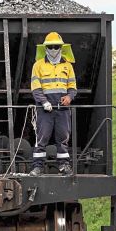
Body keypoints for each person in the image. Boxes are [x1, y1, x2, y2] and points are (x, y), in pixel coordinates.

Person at [29, 31, 77, 176]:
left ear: (61, 48)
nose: (54, 50)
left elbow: (73, 86)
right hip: (44, 109)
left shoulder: (68, 66)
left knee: (63, 138)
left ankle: (64, 166)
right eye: (50, 47)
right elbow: (35, 87)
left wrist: (69, 97)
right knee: (41, 138)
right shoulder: (38, 65)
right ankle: (38, 167)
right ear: (45, 48)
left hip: (62, 108)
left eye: (56, 46)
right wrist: (44, 102)